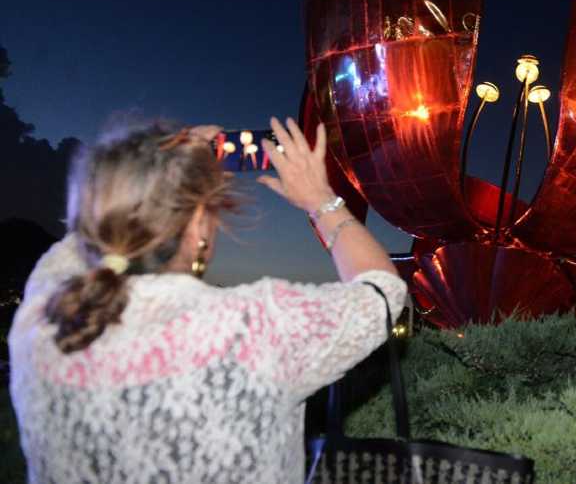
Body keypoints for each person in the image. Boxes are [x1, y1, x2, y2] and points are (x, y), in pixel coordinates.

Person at [8, 116, 405, 483]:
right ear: (199, 225)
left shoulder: (43, 321)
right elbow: (383, 293)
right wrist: (322, 202)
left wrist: (143, 181)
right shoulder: (257, 326)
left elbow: (78, 246)